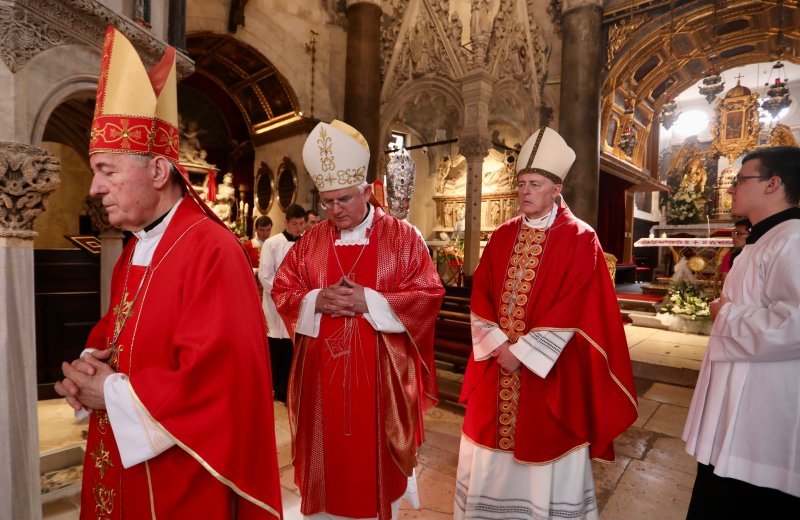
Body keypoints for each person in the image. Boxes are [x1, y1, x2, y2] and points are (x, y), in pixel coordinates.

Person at [53, 27, 282, 519]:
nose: (95, 187)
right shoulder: (135, 247)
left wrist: (109, 390)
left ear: (158, 172)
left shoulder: (212, 250)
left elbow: (218, 383)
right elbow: (121, 328)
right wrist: (90, 365)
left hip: (180, 478)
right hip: (121, 458)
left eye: (107, 170)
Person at [455, 127, 638, 520]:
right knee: (489, 438)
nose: (524, 192)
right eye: (521, 184)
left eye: (534, 184)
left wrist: (522, 354)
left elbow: (576, 304)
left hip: (551, 372)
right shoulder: (502, 236)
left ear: (557, 188)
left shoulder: (580, 238)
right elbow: (481, 292)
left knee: (545, 441)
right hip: (495, 367)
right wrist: (497, 346)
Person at [271, 120, 444, 520]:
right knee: (326, 459)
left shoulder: (404, 238)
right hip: (320, 380)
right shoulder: (310, 241)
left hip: (381, 379)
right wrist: (317, 299)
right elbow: (283, 290)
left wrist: (371, 301)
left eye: (344, 200)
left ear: (367, 190)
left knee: (373, 464)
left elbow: (429, 294)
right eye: (327, 201)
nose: (334, 210)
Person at [683, 146, 800, 517]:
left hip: (762, 412)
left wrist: (726, 314)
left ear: (773, 184)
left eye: (741, 179)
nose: (731, 188)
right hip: (741, 399)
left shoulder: (792, 240)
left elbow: (795, 322)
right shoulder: (764, 239)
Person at [259, 204, 306, 403]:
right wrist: (283, 294)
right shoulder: (272, 243)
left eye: (302, 224)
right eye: (294, 224)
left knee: (291, 346)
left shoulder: (306, 243)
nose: (298, 228)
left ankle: (287, 389)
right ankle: (272, 388)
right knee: (275, 344)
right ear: (286, 222)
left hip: (298, 301)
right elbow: (265, 275)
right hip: (275, 301)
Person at [719, 218, 750, 282]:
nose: (733, 237)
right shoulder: (729, 257)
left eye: (739, 233)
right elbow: (725, 285)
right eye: (733, 233)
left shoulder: (762, 257)